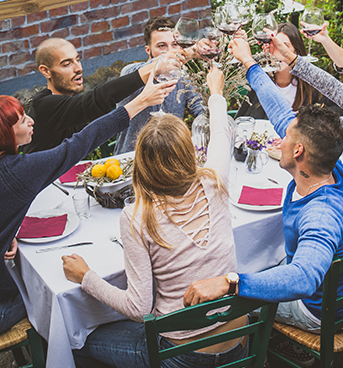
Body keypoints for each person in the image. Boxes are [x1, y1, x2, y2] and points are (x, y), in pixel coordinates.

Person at [0, 76, 174, 343]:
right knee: (62, 295)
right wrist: (140, 102)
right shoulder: (15, 173)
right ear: (2, 134)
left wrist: (6, 234)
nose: (31, 121)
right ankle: (80, 351)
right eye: (22, 120)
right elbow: (80, 143)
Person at [61, 66, 245, 368]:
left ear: (141, 163)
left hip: (183, 355)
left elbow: (138, 308)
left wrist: (86, 277)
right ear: (189, 153)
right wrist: (216, 93)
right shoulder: (214, 182)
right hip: (239, 341)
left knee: (77, 340)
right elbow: (221, 134)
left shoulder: (138, 216)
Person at [184, 37, 343, 336]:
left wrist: (229, 283)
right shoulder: (329, 162)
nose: (280, 138)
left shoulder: (321, 215)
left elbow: (303, 278)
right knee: (254, 266)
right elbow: (280, 112)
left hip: (322, 310)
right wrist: (249, 63)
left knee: (226, 301)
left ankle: (252, 350)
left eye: (286, 137)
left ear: (298, 151)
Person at [24, 37, 162, 153]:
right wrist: (150, 70)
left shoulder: (72, 100)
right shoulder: (44, 105)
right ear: (46, 71)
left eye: (78, 60)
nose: (79, 68)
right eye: (67, 64)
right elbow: (96, 100)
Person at [115, 16, 205, 153]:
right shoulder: (130, 73)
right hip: (131, 158)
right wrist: (163, 62)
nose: (170, 51)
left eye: (175, 44)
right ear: (148, 50)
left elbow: (200, 108)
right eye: (162, 46)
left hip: (170, 157)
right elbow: (132, 73)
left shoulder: (183, 76)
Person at [236, 22, 343, 120]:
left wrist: (309, 117)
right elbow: (239, 64)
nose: (278, 51)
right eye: (275, 45)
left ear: (296, 52)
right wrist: (241, 42)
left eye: (284, 46)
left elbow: (340, 105)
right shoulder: (260, 70)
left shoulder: (308, 82)